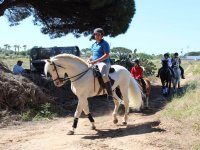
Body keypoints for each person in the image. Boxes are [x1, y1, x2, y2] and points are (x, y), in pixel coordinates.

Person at [88, 28, 113, 100]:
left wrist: (95, 61)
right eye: (95, 34)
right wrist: (89, 59)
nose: (96, 36)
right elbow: (93, 55)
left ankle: (110, 93)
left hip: (103, 63)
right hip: (95, 62)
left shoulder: (105, 44)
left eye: (98, 35)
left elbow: (106, 55)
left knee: (104, 75)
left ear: (102, 35)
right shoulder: (93, 45)